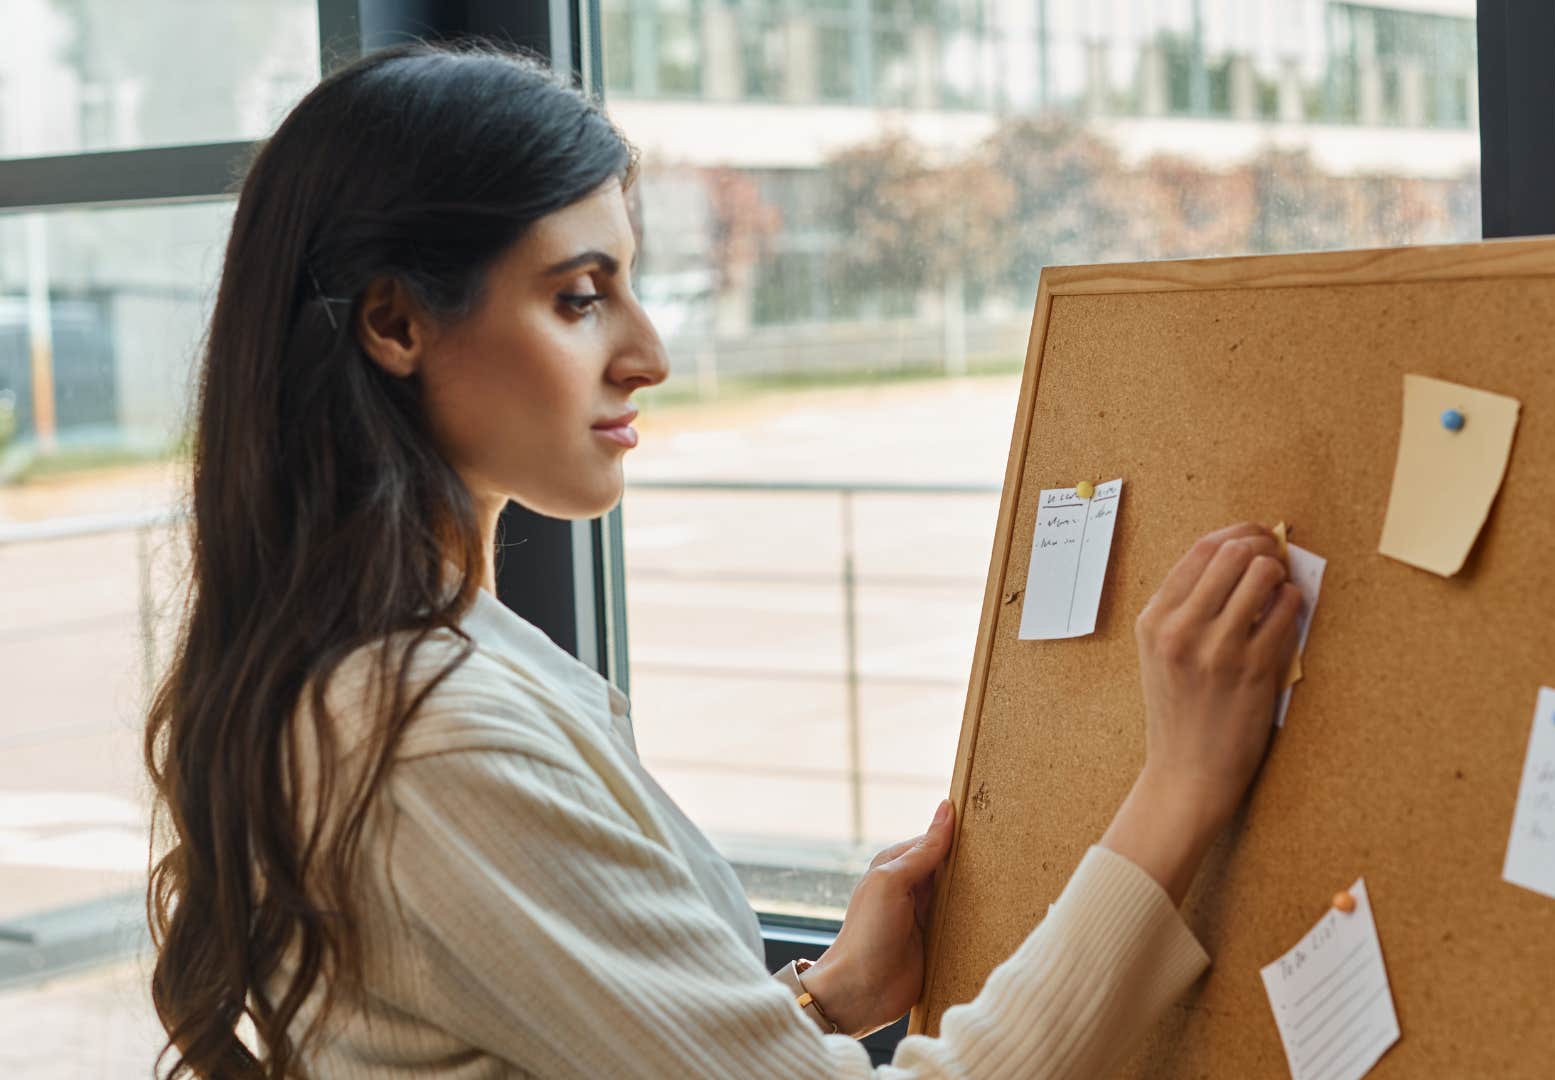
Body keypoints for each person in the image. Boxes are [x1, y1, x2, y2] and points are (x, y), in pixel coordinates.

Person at [143, 42, 1304, 1079]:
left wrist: (826, 999)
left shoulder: (417, 664)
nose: (647, 352)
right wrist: (1182, 788)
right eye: (581, 297)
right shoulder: (425, 737)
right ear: (396, 326)